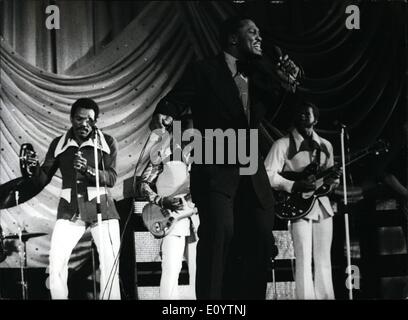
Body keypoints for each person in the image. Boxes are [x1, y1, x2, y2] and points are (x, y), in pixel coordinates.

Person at [149, 16, 301, 299]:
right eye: (252, 31)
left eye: (259, 32)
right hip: (215, 164)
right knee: (219, 237)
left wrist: (288, 87)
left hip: (250, 169)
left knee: (258, 238)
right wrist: (165, 111)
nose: (259, 37)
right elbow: (175, 99)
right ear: (233, 38)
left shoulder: (259, 76)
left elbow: (281, 117)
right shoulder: (204, 70)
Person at [24, 98, 121, 300]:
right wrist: (32, 171)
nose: (84, 124)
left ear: (95, 122)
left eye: (89, 120)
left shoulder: (106, 142)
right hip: (70, 210)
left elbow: (111, 178)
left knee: (110, 264)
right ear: (71, 118)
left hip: (102, 209)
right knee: (56, 264)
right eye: (79, 119)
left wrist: (88, 170)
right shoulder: (59, 144)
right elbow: (42, 179)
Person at [264, 101, 340, 299]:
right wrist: (293, 185)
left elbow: (327, 181)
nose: (305, 116)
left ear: (317, 118)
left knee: (324, 258)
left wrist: (332, 182)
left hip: (322, 205)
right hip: (297, 206)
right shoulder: (282, 144)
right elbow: (267, 174)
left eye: (309, 113)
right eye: (301, 112)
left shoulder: (326, 146)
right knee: (304, 258)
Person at [138, 116, 199, 299]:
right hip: (171, 220)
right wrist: (161, 200)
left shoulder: (206, 159)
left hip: (198, 220)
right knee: (171, 269)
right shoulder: (163, 156)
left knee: (200, 272)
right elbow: (143, 184)